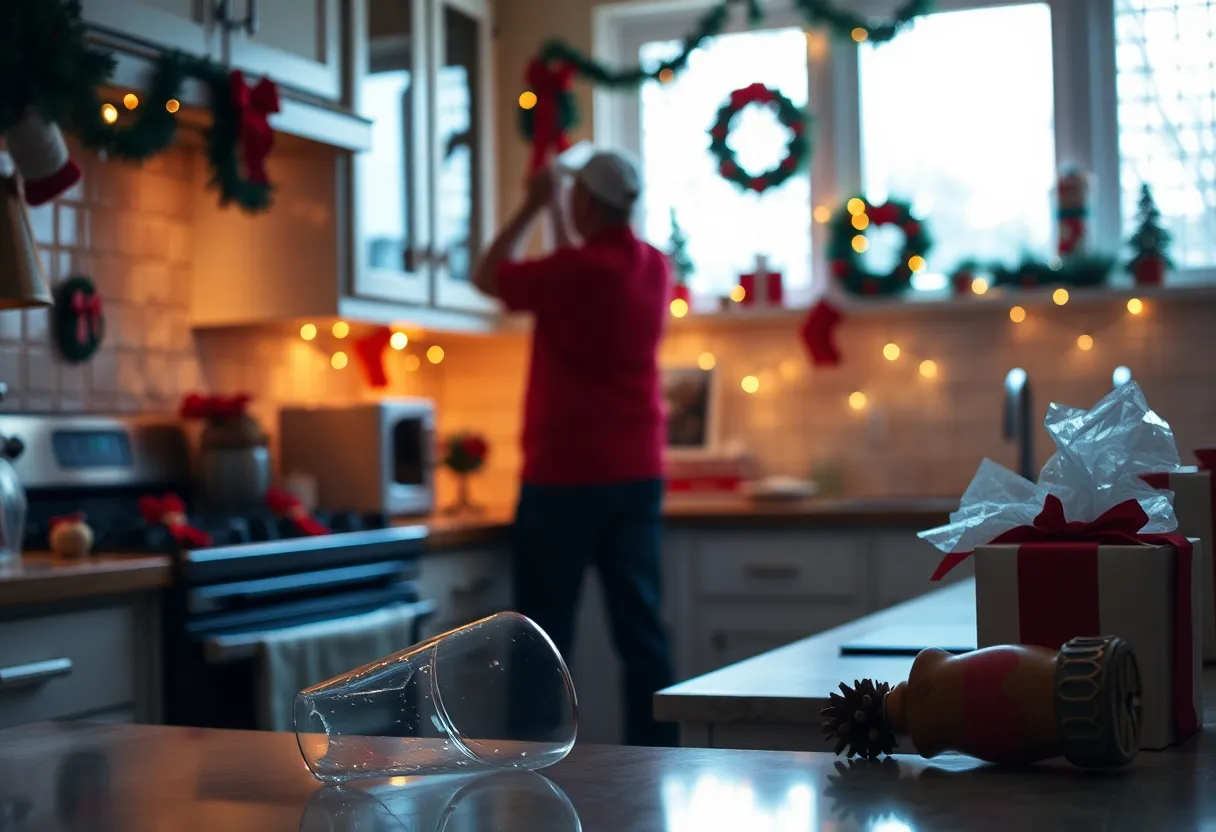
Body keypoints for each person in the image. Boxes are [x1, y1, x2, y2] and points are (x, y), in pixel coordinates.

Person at [472, 150, 678, 747]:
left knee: (542, 636)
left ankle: (529, 762)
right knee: (642, 635)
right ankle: (658, 761)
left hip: (564, 480)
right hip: (637, 474)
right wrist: (562, 210)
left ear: (585, 202)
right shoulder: (653, 268)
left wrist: (532, 205)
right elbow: (576, 261)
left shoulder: (574, 273)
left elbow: (488, 275)